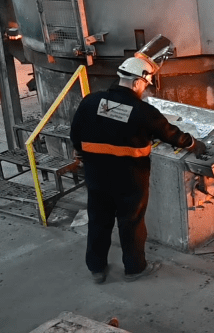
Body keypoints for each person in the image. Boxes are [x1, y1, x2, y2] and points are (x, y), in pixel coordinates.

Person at [70, 54, 206, 283]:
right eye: (145, 83)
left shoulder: (91, 102)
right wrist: (193, 143)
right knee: (131, 222)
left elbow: (76, 134)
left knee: (98, 220)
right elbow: (170, 134)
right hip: (130, 178)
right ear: (136, 82)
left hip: (96, 176)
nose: (144, 88)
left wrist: (83, 155)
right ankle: (135, 268)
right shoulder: (143, 111)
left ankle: (96, 268)